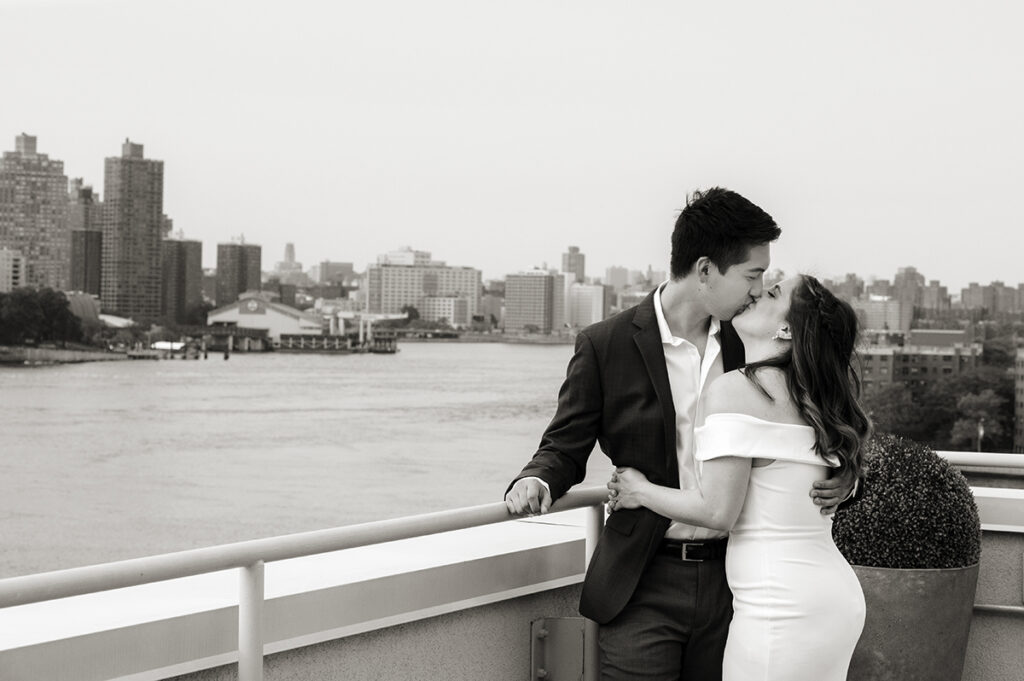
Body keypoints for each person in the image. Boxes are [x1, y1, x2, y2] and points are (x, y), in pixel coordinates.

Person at [504, 187, 854, 681]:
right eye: (753, 275)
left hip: (735, 583)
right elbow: (565, 443)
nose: (759, 291)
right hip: (643, 579)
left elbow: (816, 419)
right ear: (706, 269)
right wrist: (535, 480)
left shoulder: (752, 340)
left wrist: (845, 477)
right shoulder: (606, 345)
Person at [607, 274, 869, 681]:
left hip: (779, 608)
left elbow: (715, 511)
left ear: (786, 328)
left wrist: (639, 490)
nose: (760, 291)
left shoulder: (736, 389)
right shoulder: (813, 396)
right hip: (833, 597)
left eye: (775, 291)